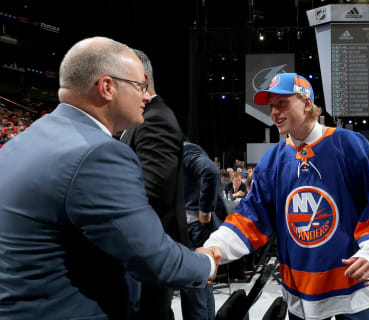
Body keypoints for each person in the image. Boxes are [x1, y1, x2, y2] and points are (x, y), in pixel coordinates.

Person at [0, 37, 218, 320]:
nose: (146, 95)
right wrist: (206, 264)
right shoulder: (98, 153)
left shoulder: (21, 142)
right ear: (107, 87)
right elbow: (151, 257)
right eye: (140, 86)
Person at [202, 73, 369, 319]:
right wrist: (215, 247)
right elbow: (250, 217)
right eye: (271, 106)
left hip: (355, 290)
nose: (274, 112)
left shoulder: (350, 145)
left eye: (282, 103)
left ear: (307, 104)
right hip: (301, 292)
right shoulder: (272, 161)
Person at [119, 49, 190, 319]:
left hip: (147, 251)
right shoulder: (141, 120)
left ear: (141, 81)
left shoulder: (155, 118)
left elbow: (152, 193)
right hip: (144, 250)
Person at [180, 141, 221, 320]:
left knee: (195, 290)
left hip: (194, 230)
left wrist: (205, 210)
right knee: (199, 288)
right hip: (182, 230)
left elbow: (210, 171)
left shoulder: (185, 149)